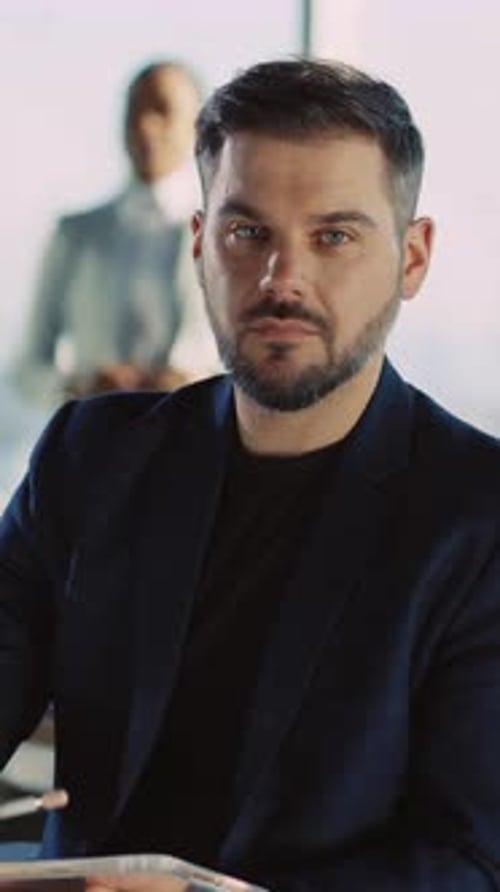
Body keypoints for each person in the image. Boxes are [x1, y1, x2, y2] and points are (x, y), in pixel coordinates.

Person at [1, 57, 500, 891]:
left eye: (333, 236)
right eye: (248, 232)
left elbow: (471, 861)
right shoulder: (91, 455)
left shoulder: (478, 520)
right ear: (199, 246)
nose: (282, 280)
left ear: (412, 259)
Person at [11, 59, 219, 407]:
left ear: (198, 127)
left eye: (162, 110)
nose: (145, 126)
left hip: (198, 444)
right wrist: (81, 385)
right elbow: (27, 368)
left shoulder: (226, 236)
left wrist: (195, 381)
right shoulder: (75, 235)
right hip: (95, 442)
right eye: (133, 111)